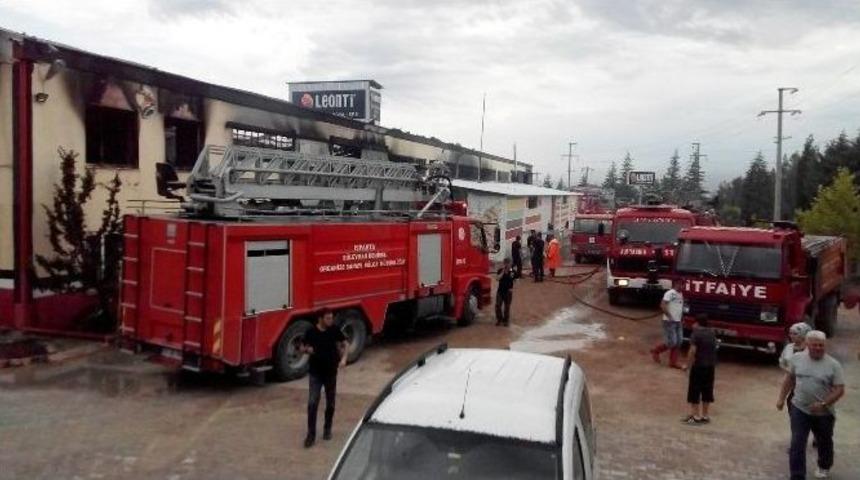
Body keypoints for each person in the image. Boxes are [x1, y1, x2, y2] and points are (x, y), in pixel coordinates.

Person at [777, 331, 846, 480]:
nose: (818, 348)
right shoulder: (796, 359)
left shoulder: (833, 365)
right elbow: (789, 379)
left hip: (824, 413)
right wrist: (781, 398)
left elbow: (840, 389)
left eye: (821, 345)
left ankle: (824, 465)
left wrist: (823, 403)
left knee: (824, 441)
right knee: (797, 442)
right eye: (814, 345)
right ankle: (797, 475)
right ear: (807, 345)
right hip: (799, 408)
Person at [301, 308, 348, 448]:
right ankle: (311, 435)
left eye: (331, 318)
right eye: (328, 318)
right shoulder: (311, 332)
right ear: (320, 319)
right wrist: (306, 350)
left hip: (330, 373)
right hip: (315, 373)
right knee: (312, 403)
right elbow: (302, 346)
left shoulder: (334, 330)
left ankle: (327, 429)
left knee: (330, 403)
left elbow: (345, 343)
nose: (331, 320)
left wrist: (344, 359)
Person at [681, 314, 717, 425]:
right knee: (707, 390)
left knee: (694, 390)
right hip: (710, 366)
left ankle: (695, 416)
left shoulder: (696, 334)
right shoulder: (712, 333)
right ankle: (705, 415)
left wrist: (687, 365)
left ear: (697, 323)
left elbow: (692, 351)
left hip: (699, 365)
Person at [650, 279, 684, 369]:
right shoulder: (670, 293)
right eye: (682, 284)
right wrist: (669, 316)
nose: (683, 286)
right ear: (677, 283)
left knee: (679, 341)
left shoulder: (681, 294)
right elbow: (662, 305)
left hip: (678, 321)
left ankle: (673, 362)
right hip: (669, 321)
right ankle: (656, 351)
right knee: (672, 342)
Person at [495, 258, 515, 326]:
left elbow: (513, 279)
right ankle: (499, 319)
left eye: (508, 263)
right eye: (505, 263)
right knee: (498, 305)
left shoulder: (512, 271)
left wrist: (512, 288)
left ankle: (506, 320)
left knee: (507, 307)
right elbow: (497, 278)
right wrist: (503, 271)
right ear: (504, 264)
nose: (507, 265)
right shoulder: (500, 270)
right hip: (500, 291)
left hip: (508, 292)